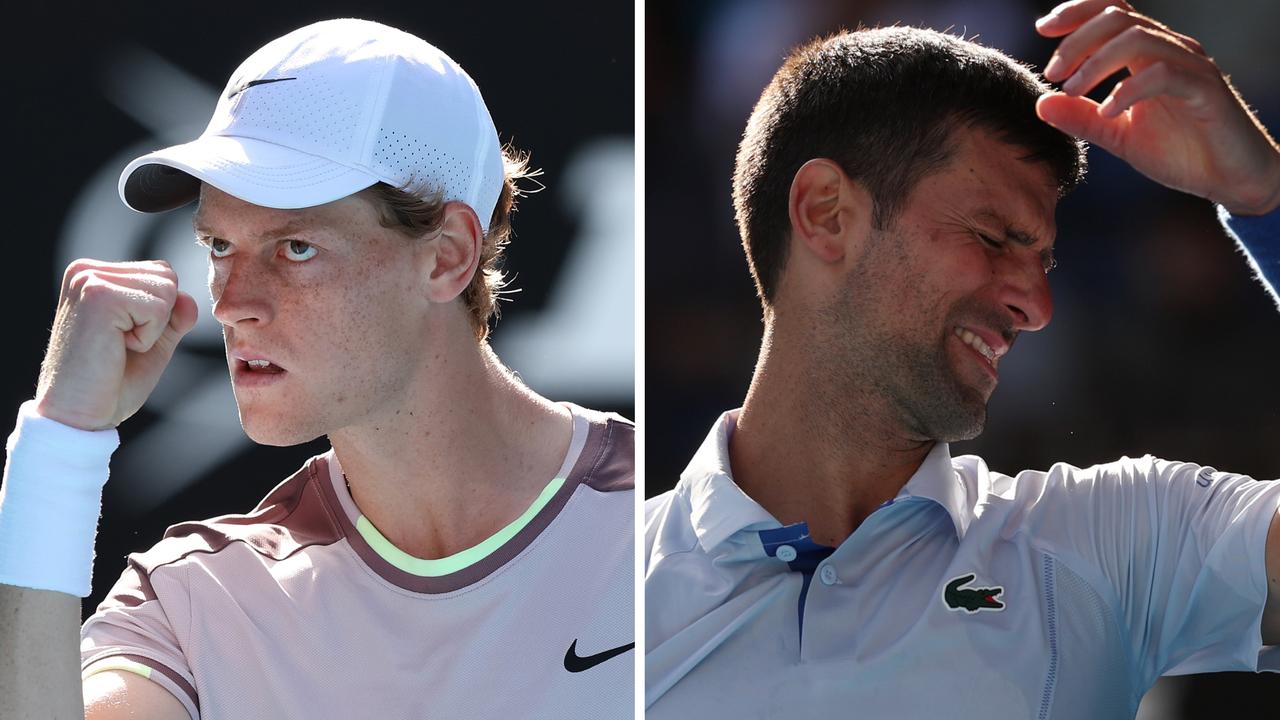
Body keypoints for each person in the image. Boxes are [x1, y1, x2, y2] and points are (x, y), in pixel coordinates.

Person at [645, 0, 1280, 717]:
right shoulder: (588, 594)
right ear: (826, 212)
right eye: (992, 237)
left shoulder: (1112, 541)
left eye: (1042, 258)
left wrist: (1268, 200)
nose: (1036, 307)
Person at [0, 18, 633, 720]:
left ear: (448, 256)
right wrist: (57, 447)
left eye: (295, 247)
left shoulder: (670, 519)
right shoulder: (189, 601)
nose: (233, 304)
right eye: (217, 245)